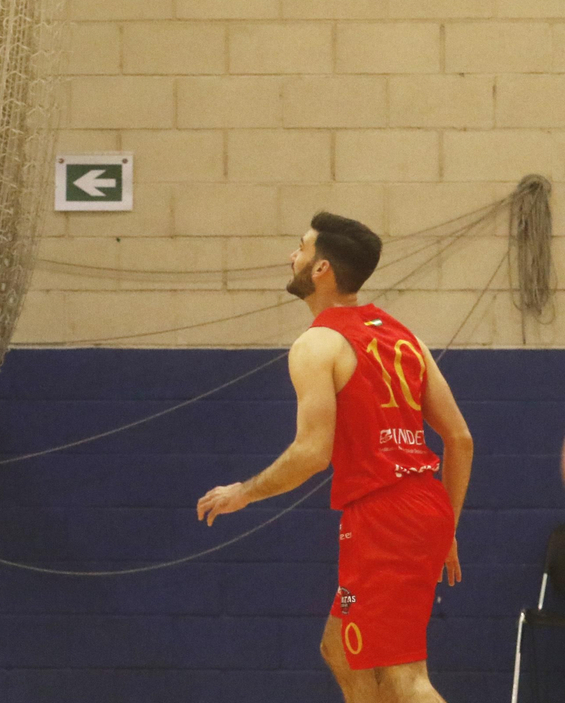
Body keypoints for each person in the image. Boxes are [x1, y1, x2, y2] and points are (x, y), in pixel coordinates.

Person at [197, 212, 474, 703]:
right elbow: (461, 439)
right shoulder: (406, 338)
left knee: (404, 677)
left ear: (321, 268)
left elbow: (310, 454)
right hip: (417, 511)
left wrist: (245, 492)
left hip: (385, 520)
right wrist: (444, 525)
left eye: (300, 248)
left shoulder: (318, 343)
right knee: (340, 647)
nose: (293, 256)